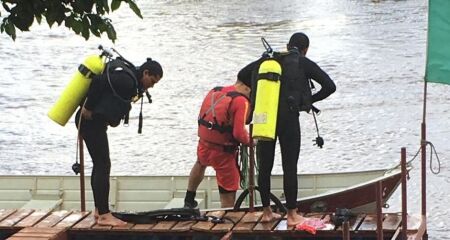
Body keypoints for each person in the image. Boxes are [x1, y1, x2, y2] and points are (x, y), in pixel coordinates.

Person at [237, 32, 336, 226]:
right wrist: (306, 101)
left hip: (264, 117)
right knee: (289, 165)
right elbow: (330, 86)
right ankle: (292, 214)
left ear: (287, 44)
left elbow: (241, 75)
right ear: (305, 49)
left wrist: (260, 94)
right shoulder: (302, 62)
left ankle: (266, 212)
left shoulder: (266, 60)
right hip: (288, 117)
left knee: (264, 166)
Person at [75, 58, 163, 226]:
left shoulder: (130, 80)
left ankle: (99, 210)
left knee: (100, 163)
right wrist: (88, 108)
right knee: (103, 164)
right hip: (89, 121)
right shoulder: (126, 80)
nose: (152, 86)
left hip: (93, 123)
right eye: (152, 81)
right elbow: (98, 81)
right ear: (145, 73)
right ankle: (104, 215)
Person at [184, 77, 252, 208]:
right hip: (223, 153)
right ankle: (227, 214)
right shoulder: (241, 101)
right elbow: (239, 133)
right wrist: (251, 142)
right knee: (229, 185)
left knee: (200, 163)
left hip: (204, 146)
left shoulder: (215, 91)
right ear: (246, 87)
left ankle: (189, 199)